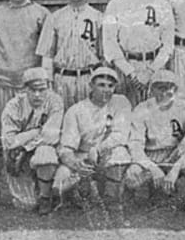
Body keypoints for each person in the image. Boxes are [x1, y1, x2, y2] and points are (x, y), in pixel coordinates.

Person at [0, 0, 50, 200]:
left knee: (33, 135)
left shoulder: (41, 13)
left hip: (30, 87)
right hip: (1, 83)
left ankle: (36, 183)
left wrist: (42, 84)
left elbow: (45, 54)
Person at [124, 70, 185, 205]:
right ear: (152, 89)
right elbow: (135, 144)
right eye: (160, 88)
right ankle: (148, 196)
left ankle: (182, 193)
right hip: (151, 154)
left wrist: (176, 168)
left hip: (176, 154)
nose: (164, 92)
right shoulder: (142, 109)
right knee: (132, 176)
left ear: (175, 89)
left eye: (169, 87)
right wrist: (153, 168)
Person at [55, 66, 135, 210]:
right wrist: (75, 164)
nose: (106, 90)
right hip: (83, 155)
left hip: (107, 152)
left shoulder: (120, 102)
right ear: (91, 85)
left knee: (120, 154)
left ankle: (112, 199)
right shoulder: (76, 110)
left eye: (111, 86)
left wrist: (98, 149)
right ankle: (77, 197)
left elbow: (120, 135)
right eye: (101, 85)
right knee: (61, 182)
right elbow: (66, 147)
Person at [102, 0, 174, 105]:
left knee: (155, 115)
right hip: (126, 68)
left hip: (154, 66)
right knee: (126, 114)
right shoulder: (115, 5)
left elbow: (168, 45)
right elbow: (109, 43)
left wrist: (150, 71)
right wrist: (130, 73)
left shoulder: (162, 5)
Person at [0, 67, 64, 215]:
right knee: (26, 205)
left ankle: (45, 197)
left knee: (45, 153)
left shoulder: (55, 101)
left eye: (41, 89)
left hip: (37, 149)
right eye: (32, 89)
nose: (37, 95)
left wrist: (25, 147)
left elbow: (50, 136)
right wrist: (36, 132)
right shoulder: (13, 106)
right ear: (24, 89)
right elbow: (10, 142)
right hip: (17, 156)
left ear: (48, 87)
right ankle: (36, 188)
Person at [36, 0, 104, 109]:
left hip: (89, 78)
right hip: (62, 79)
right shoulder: (54, 17)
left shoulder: (98, 17)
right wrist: (48, 84)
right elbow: (47, 56)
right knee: (62, 122)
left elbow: (104, 57)